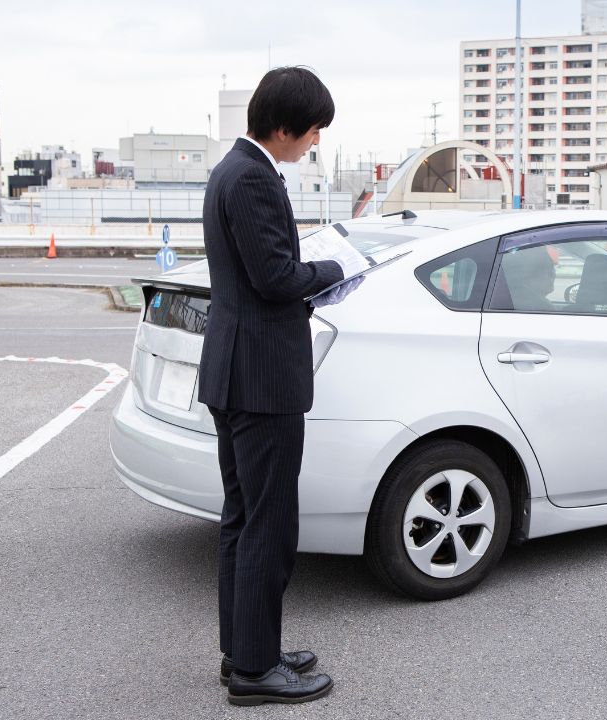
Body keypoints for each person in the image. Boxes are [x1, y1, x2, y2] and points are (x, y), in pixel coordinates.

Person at [198, 66, 364, 707]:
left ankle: (245, 651)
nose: (315, 141)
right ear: (286, 125)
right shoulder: (254, 178)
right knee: (267, 523)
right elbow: (274, 277)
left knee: (242, 518)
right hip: (261, 380)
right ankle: (255, 670)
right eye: (315, 128)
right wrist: (335, 267)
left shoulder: (231, 171)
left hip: (236, 371)